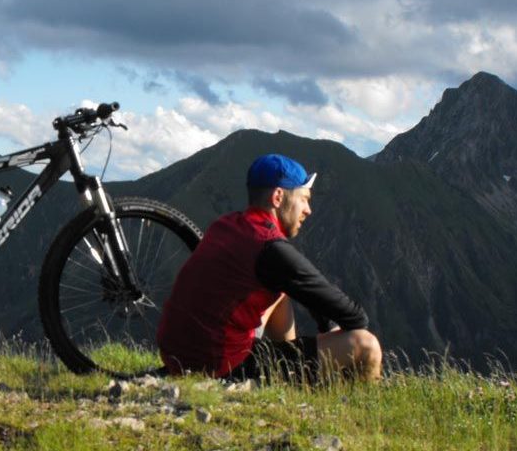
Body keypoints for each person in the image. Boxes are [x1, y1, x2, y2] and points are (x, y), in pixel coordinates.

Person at [156, 154, 382, 384]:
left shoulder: (227, 225)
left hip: (178, 356)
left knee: (279, 292)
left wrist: (327, 322)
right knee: (366, 345)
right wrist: (332, 331)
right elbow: (356, 318)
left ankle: (291, 380)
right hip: (220, 366)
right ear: (278, 197)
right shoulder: (270, 248)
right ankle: (354, 404)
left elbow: (305, 288)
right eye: (304, 199)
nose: (308, 210)